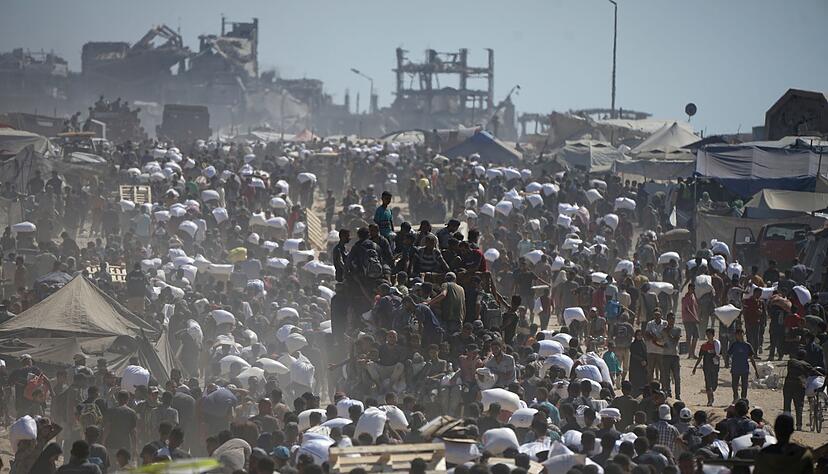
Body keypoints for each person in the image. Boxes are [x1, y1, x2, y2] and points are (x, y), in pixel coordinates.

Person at [783, 349, 823, 431]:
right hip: (799, 386)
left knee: (787, 405)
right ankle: (799, 425)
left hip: (788, 385)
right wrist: (822, 375)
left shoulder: (791, 362)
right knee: (799, 406)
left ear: (796, 355)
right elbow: (814, 372)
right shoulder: (806, 365)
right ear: (805, 356)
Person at [728, 328, 760, 402]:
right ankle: (735, 398)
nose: (740, 336)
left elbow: (751, 358)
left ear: (743, 334)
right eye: (738, 334)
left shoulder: (747, 345)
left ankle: (743, 399)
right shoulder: (734, 345)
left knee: (744, 386)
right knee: (734, 385)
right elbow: (728, 354)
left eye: (741, 334)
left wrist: (756, 370)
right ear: (736, 336)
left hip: (744, 369)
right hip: (735, 368)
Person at [693, 328, 721, 406]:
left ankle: (711, 394)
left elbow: (720, 354)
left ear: (713, 335)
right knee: (708, 384)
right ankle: (709, 400)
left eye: (710, 334)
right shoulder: (704, 346)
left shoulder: (717, 345)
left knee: (714, 385)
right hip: (707, 367)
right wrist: (695, 367)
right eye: (707, 334)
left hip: (715, 367)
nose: (708, 336)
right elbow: (700, 357)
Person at [682, 283, 700, 358]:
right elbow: (687, 309)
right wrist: (695, 318)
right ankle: (690, 353)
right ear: (689, 289)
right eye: (692, 289)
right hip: (688, 320)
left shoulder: (693, 296)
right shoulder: (686, 298)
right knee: (689, 337)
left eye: (693, 289)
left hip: (693, 320)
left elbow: (695, 307)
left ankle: (692, 352)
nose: (693, 290)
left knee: (696, 336)